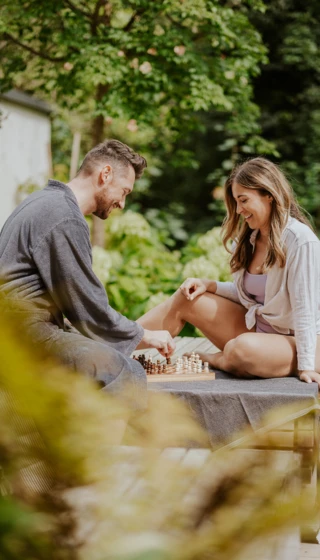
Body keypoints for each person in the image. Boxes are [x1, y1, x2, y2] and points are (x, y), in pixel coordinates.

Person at [0, 139, 175, 405]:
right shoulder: (64, 215)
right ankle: (104, 448)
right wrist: (145, 334)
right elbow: (87, 307)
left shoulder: (45, 200)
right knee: (120, 371)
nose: (122, 203)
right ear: (105, 175)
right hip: (20, 335)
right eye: (124, 191)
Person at [137, 157, 320, 387]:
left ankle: (220, 360)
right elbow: (252, 296)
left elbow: (305, 309)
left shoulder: (300, 240)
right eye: (236, 202)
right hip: (257, 329)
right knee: (188, 297)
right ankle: (118, 342)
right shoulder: (247, 240)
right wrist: (209, 285)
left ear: (269, 195)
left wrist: (306, 366)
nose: (239, 210)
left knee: (242, 348)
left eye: (244, 200)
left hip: (303, 341)